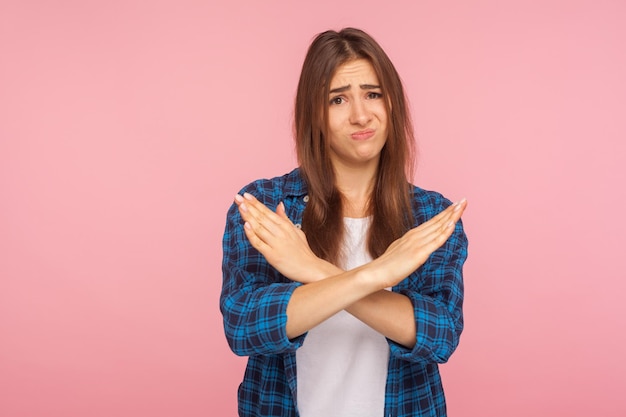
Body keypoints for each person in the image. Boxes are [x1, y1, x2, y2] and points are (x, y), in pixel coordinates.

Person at [220, 27, 468, 417]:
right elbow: (245, 326)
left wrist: (313, 270)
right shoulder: (266, 206)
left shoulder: (429, 217)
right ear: (314, 113)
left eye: (373, 94)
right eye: (338, 99)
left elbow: (438, 335)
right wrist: (373, 275)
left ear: (393, 105)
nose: (360, 114)